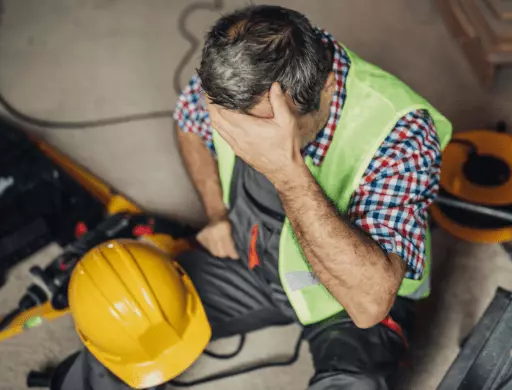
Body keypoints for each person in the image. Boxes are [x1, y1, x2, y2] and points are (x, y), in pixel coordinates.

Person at [58, 4, 452, 389]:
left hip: (342, 302)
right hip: (249, 261)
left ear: (327, 86)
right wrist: (215, 215)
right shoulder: (236, 81)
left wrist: (287, 172)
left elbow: (368, 306)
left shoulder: (401, 134)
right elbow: (188, 122)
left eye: (265, 134)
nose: (248, 146)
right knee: (129, 319)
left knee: (355, 382)